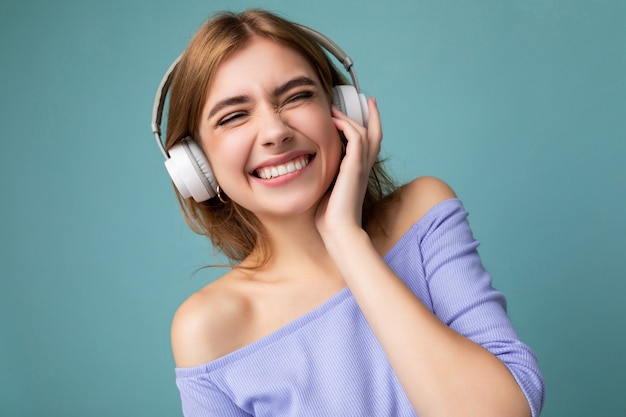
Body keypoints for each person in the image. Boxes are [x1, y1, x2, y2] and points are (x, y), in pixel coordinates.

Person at [154, 8, 545, 417]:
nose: (275, 132)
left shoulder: (423, 214)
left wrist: (345, 238)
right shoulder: (208, 327)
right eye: (234, 116)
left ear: (342, 110)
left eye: (298, 96)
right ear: (195, 165)